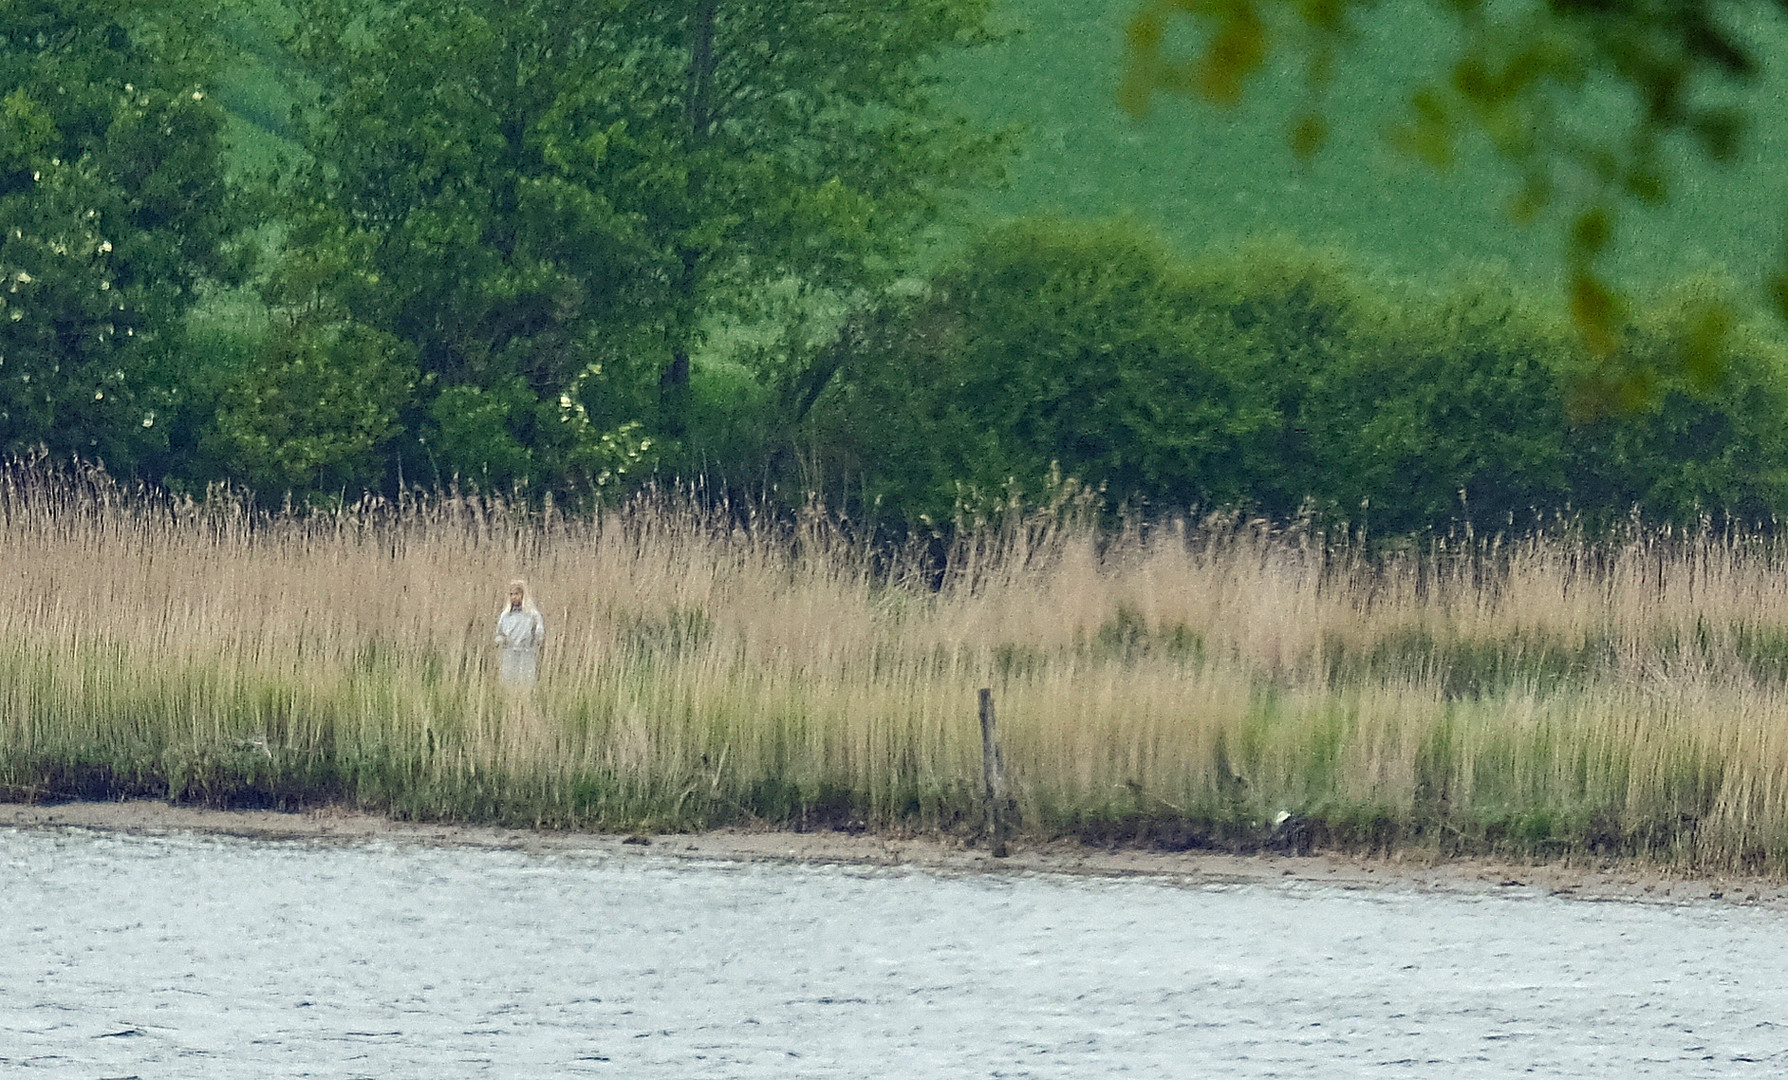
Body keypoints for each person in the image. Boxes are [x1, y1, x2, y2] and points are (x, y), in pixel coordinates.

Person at [494, 578, 546, 686]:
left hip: (526, 654)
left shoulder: (532, 615)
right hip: (509, 654)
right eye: (511, 594)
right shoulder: (506, 615)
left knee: (525, 683)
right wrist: (503, 641)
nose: (514, 597)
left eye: (517, 594)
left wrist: (531, 643)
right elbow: (499, 633)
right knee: (509, 683)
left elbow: (539, 633)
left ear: (523, 595)